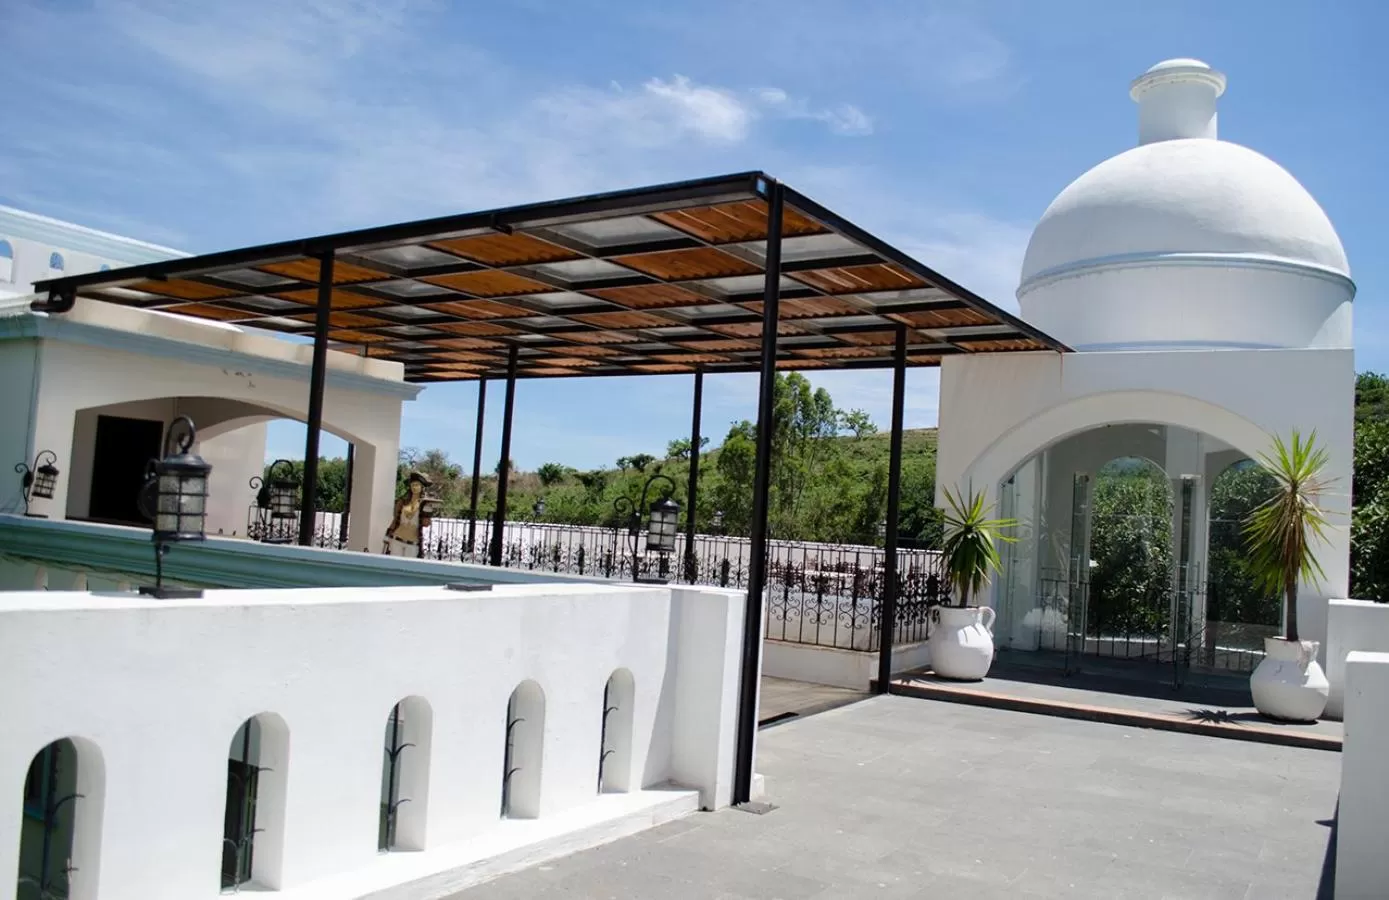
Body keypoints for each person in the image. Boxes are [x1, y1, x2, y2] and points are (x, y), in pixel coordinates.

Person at [384, 472, 433, 557]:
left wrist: (428, 514)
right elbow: (395, 520)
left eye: (417, 485)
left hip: (413, 543)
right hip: (397, 539)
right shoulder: (401, 502)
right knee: (394, 566)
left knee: (408, 567)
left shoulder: (424, 504)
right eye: (413, 484)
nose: (414, 487)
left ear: (422, 487)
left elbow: (426, 524)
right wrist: (387, 535)